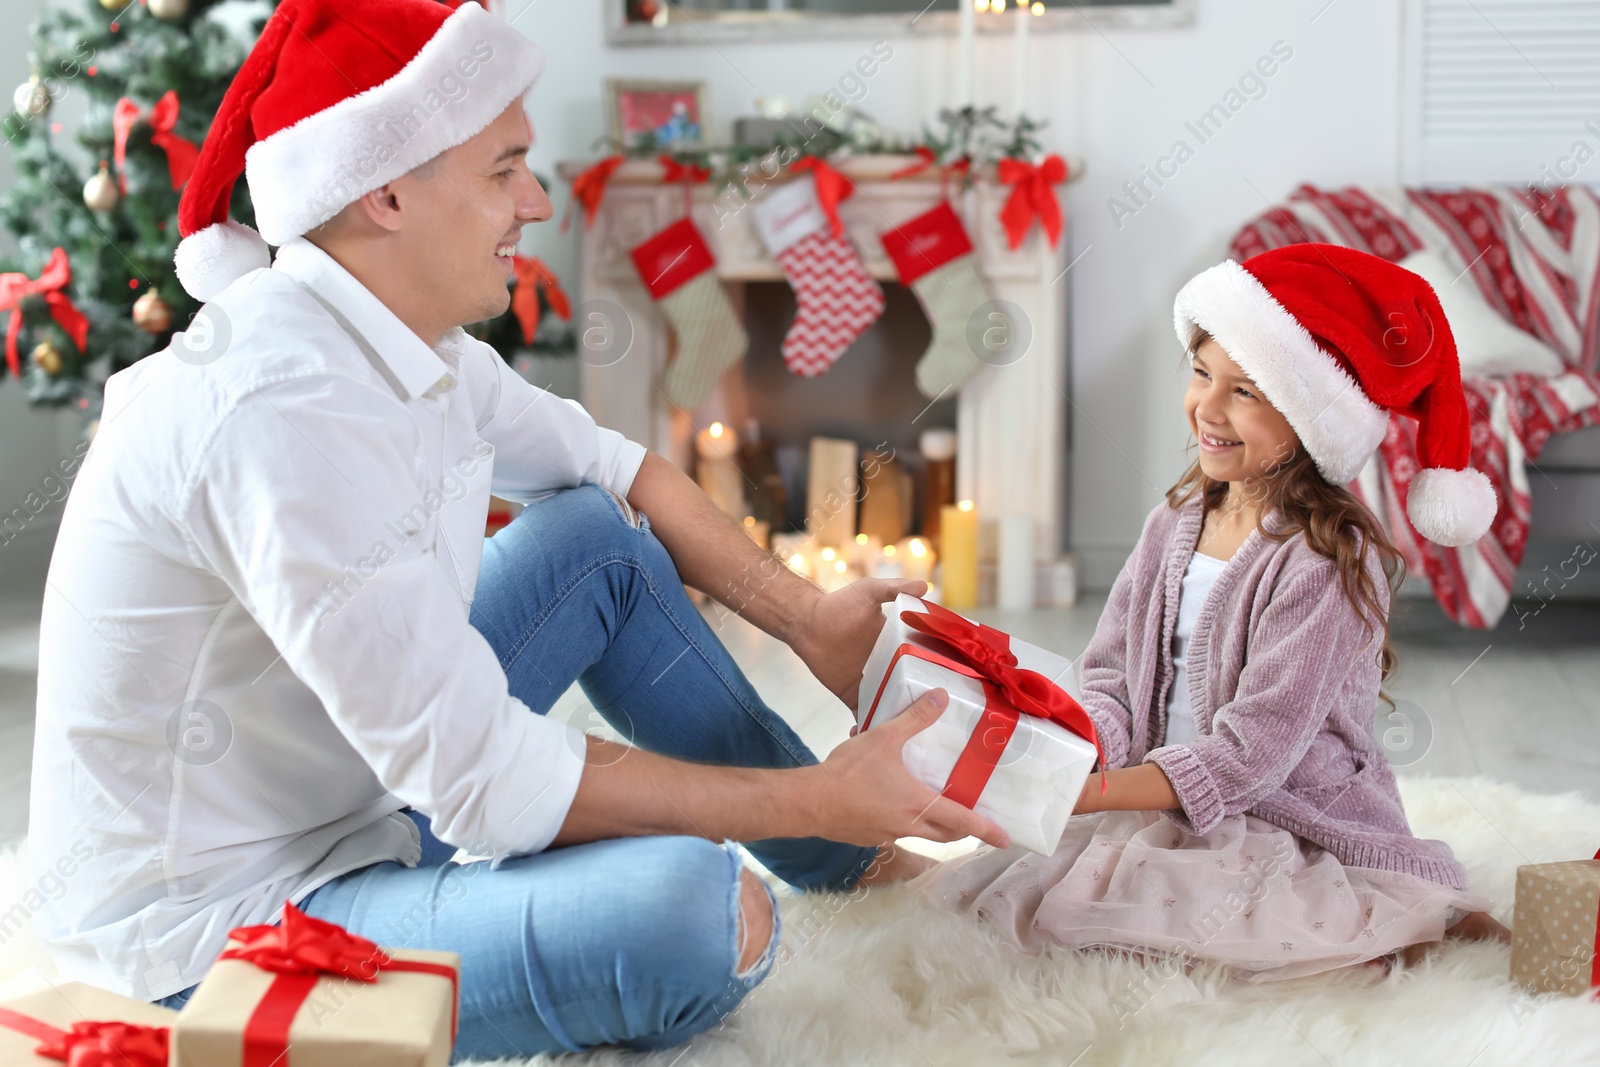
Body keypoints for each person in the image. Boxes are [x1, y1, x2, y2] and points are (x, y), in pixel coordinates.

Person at [26, 0, 1004, 1058]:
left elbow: (620, 472)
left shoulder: (406, 340)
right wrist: (806, 789)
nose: (536, 200)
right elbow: (484, 779)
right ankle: (821, 816)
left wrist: (807, 617)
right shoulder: (281, 413)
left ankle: (846, 854)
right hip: (219, 928)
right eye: (504, 169)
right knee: (701, 912)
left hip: (362, 804)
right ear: (386, 190)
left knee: (592, 538)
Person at [915, 244, 1511, 980]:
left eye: (1247, 392)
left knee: (1170, 927)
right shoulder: (1174, 523)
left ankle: (1414, 911)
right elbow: (1111, 678)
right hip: (1153, 787)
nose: (1209, 408)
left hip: (1281, 812)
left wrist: (1090, 794)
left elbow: (1248, 756)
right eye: (1201, 374)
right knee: (1009, 898)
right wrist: (1069, 755)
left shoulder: (1327, 559)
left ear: (1306, 417)